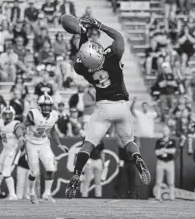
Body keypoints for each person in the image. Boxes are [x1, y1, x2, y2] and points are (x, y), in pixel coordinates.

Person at [65, 16, 151, 199]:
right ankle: (138, 159)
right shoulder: (112, 56)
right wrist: (99, 25)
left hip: (103, 108)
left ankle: (77, 173)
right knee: (128, 141)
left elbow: (79, 60)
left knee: (88, 143)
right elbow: (119, 38)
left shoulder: (85, 70)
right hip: (122, 106)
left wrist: (81, 34)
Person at [22, 94, 69, 204]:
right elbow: (21, 126)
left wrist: (59, 145)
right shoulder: (33, 114)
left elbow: (52, 130)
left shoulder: (54, 115)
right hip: (31, 143)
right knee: (34, 172)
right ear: (39, 106)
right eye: (44, 105)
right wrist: (20, 137)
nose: (47, 108)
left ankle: (46, 193)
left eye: (49, 106)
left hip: (44, 143)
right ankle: (31, 192)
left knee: (50, 168)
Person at [0, 106, 26, 200]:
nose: (7, 116)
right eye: (5, 114)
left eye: (9, 114)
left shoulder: (16, 125)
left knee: (6, 172)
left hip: (13, 151)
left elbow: (22, 140)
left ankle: (13, 195)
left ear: (13, 115)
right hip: (5, 149)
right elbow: (1, 137)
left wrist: (14, 151)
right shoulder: (1, 123)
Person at [154, 126, 177, 201]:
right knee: (158, 181)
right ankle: (157, 196)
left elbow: (173, 151)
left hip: (170, 163)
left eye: (165, 130)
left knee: (171, 182)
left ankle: (172, 196)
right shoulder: (158, 141)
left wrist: (163, 150)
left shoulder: (172, 141)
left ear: (169, 132)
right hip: (160, 162)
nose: (164, 132)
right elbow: (157, 153)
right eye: (163, 130)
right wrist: (167, 150)